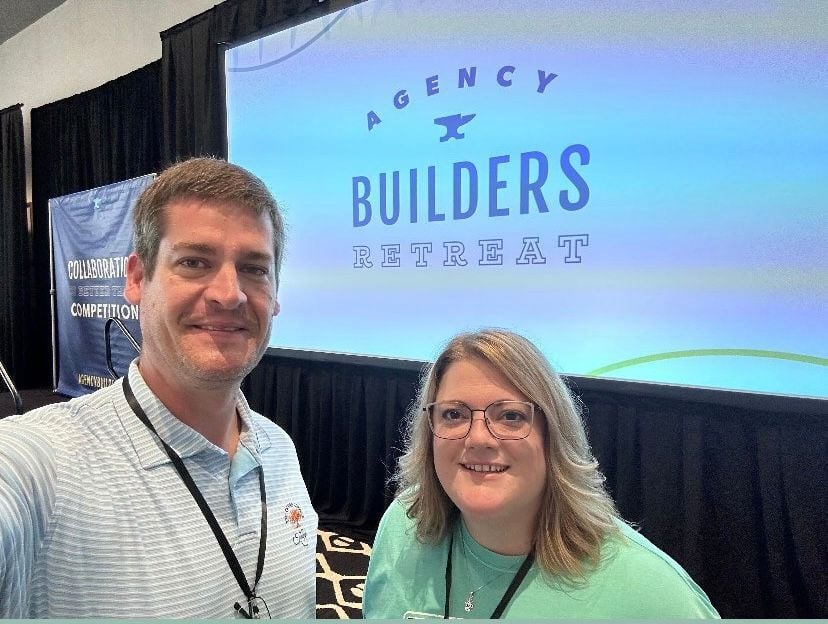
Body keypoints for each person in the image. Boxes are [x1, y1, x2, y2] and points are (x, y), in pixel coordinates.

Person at [0, 158, 317, 618]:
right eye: (193, 262)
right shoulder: (43, 466)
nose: (230, 294)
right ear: (136, 278)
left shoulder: (279, 449)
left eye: (254, 269)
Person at [363, 328, 719, 618]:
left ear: (553, 436)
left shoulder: (651, 593)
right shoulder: (402, 527)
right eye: (454, 415)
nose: (478, 439)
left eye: (511, 416)